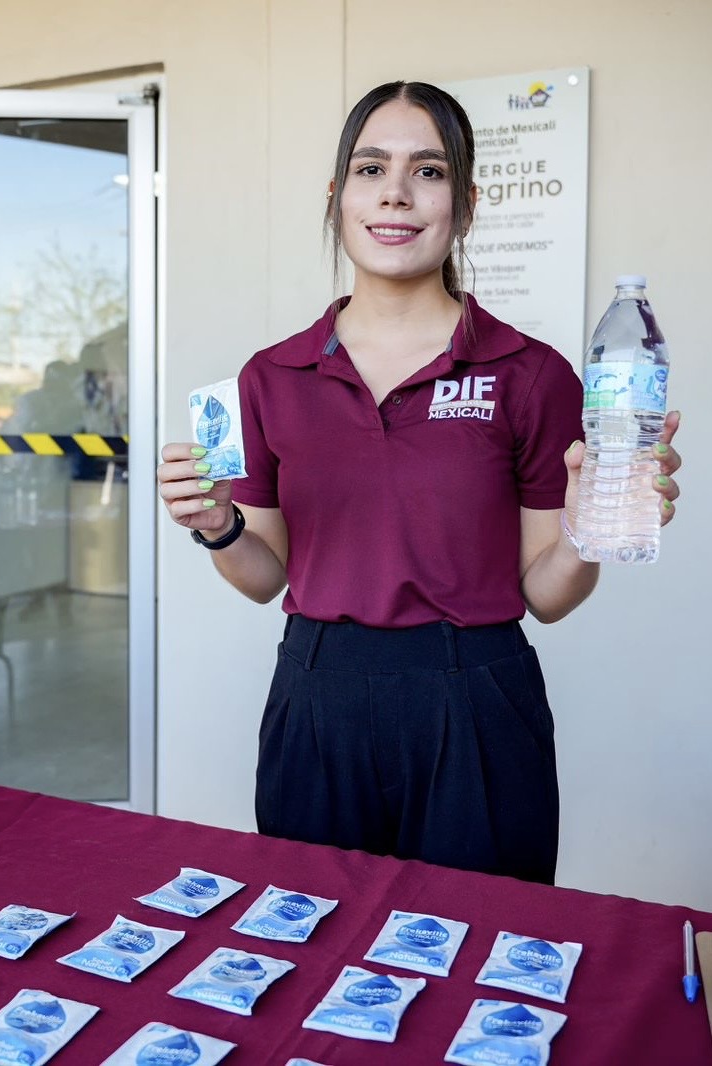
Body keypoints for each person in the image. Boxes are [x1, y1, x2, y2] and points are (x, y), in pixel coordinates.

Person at [157, 81, 682, 884]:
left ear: (464, 204)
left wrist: (588, 525)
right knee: (307, 948)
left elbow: (546, 592)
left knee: (483, 958)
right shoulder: (271, 377)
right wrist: (218, 524)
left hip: (476, 698)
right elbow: (263, 578)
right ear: (337, 198)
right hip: (315, 692)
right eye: (370, 169)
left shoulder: (529, 374)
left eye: (427, 171)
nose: (395, 192)